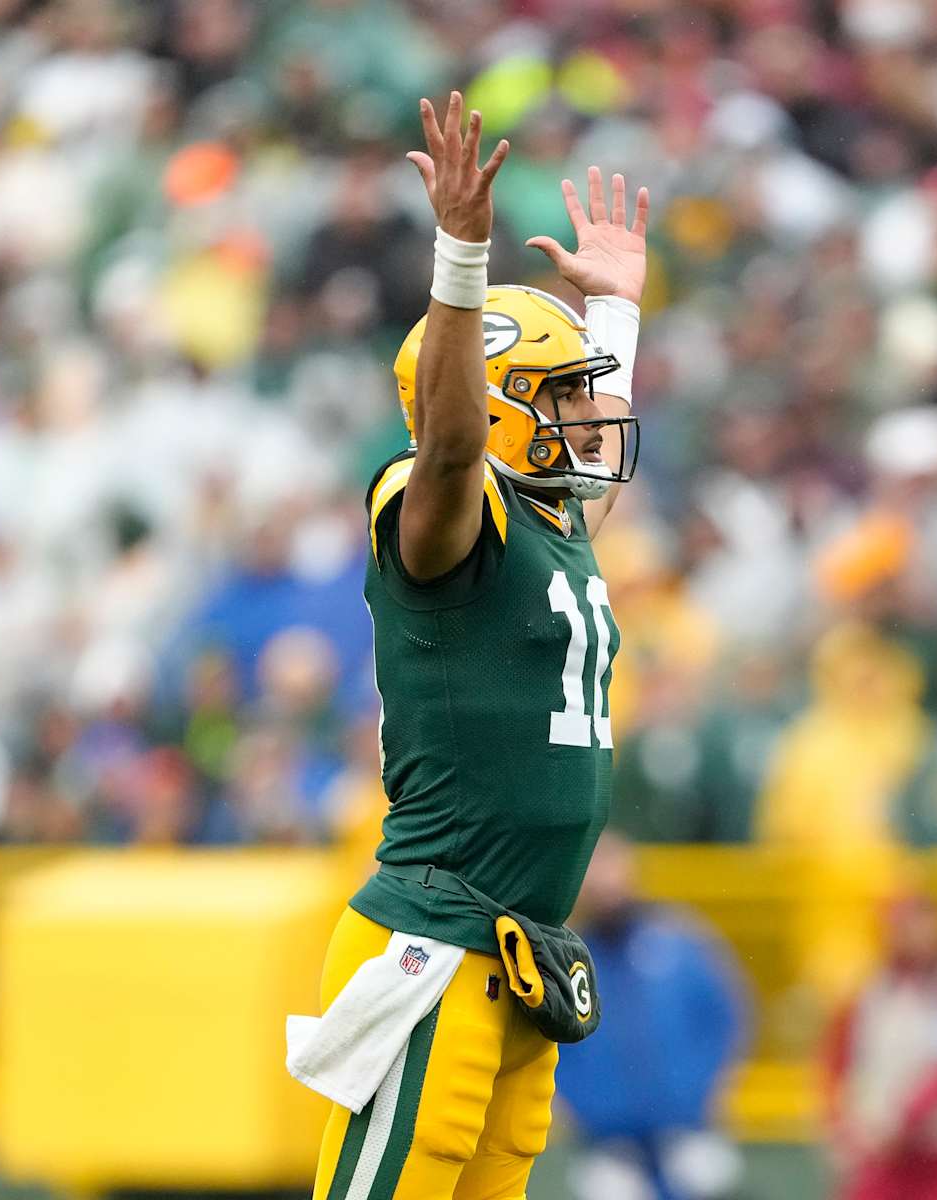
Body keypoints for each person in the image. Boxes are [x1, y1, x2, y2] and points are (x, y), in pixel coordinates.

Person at [293, 90, 650, 1199]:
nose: (594, 416)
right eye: (565, 397)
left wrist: (617, 321)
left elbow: (557, 452)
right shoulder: (443, 509)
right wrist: (460, 255)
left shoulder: (549, 520)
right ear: (495, 409)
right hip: (437, 942)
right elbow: (451, 450)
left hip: (517, 951)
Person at [556, 834, 750, 1200]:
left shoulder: (679, 941)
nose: (605, 885)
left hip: (687, 1130)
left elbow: (724, 1017)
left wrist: (703, 1090)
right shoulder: (569, 957)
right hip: (608, 1145)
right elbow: (554, 1050)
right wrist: (584, 1110)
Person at [823, 892, 937, 1200]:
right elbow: (834, 1061)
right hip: (883, 1154)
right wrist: (843, 1126)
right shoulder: (870, 987)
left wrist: (904, 1121)